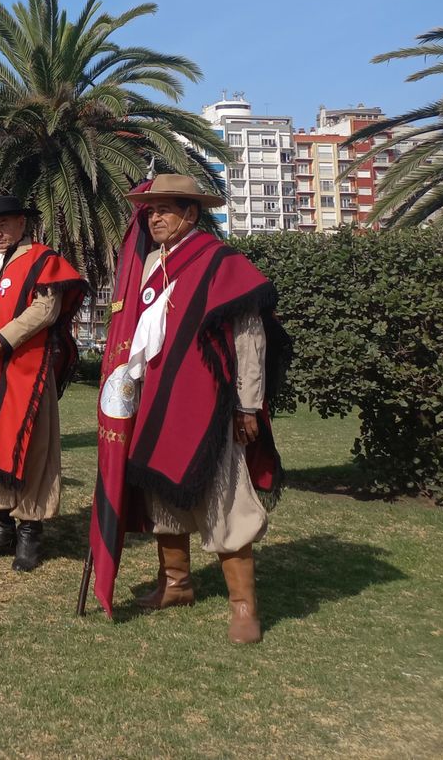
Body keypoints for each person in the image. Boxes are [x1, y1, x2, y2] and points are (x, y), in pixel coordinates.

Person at [109, 174, 287, 644]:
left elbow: (250, 336)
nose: (156, 217)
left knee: (224, 497)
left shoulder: (221, 262)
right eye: (150, 210)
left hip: (211, 403)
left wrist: (248, 404)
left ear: (191, 213)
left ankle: (244, 606)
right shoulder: (148, 264)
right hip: (156, 400)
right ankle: (176, 583)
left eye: (166, 209)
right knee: (163, 494)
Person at [0, 196, 87, 571]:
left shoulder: (41, 258)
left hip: (24, 366)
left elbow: (46, 308)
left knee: (31, 446)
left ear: (22, 224)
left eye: (5, 223)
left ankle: (29, 530)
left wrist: (0, 340)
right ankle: (0, 525)